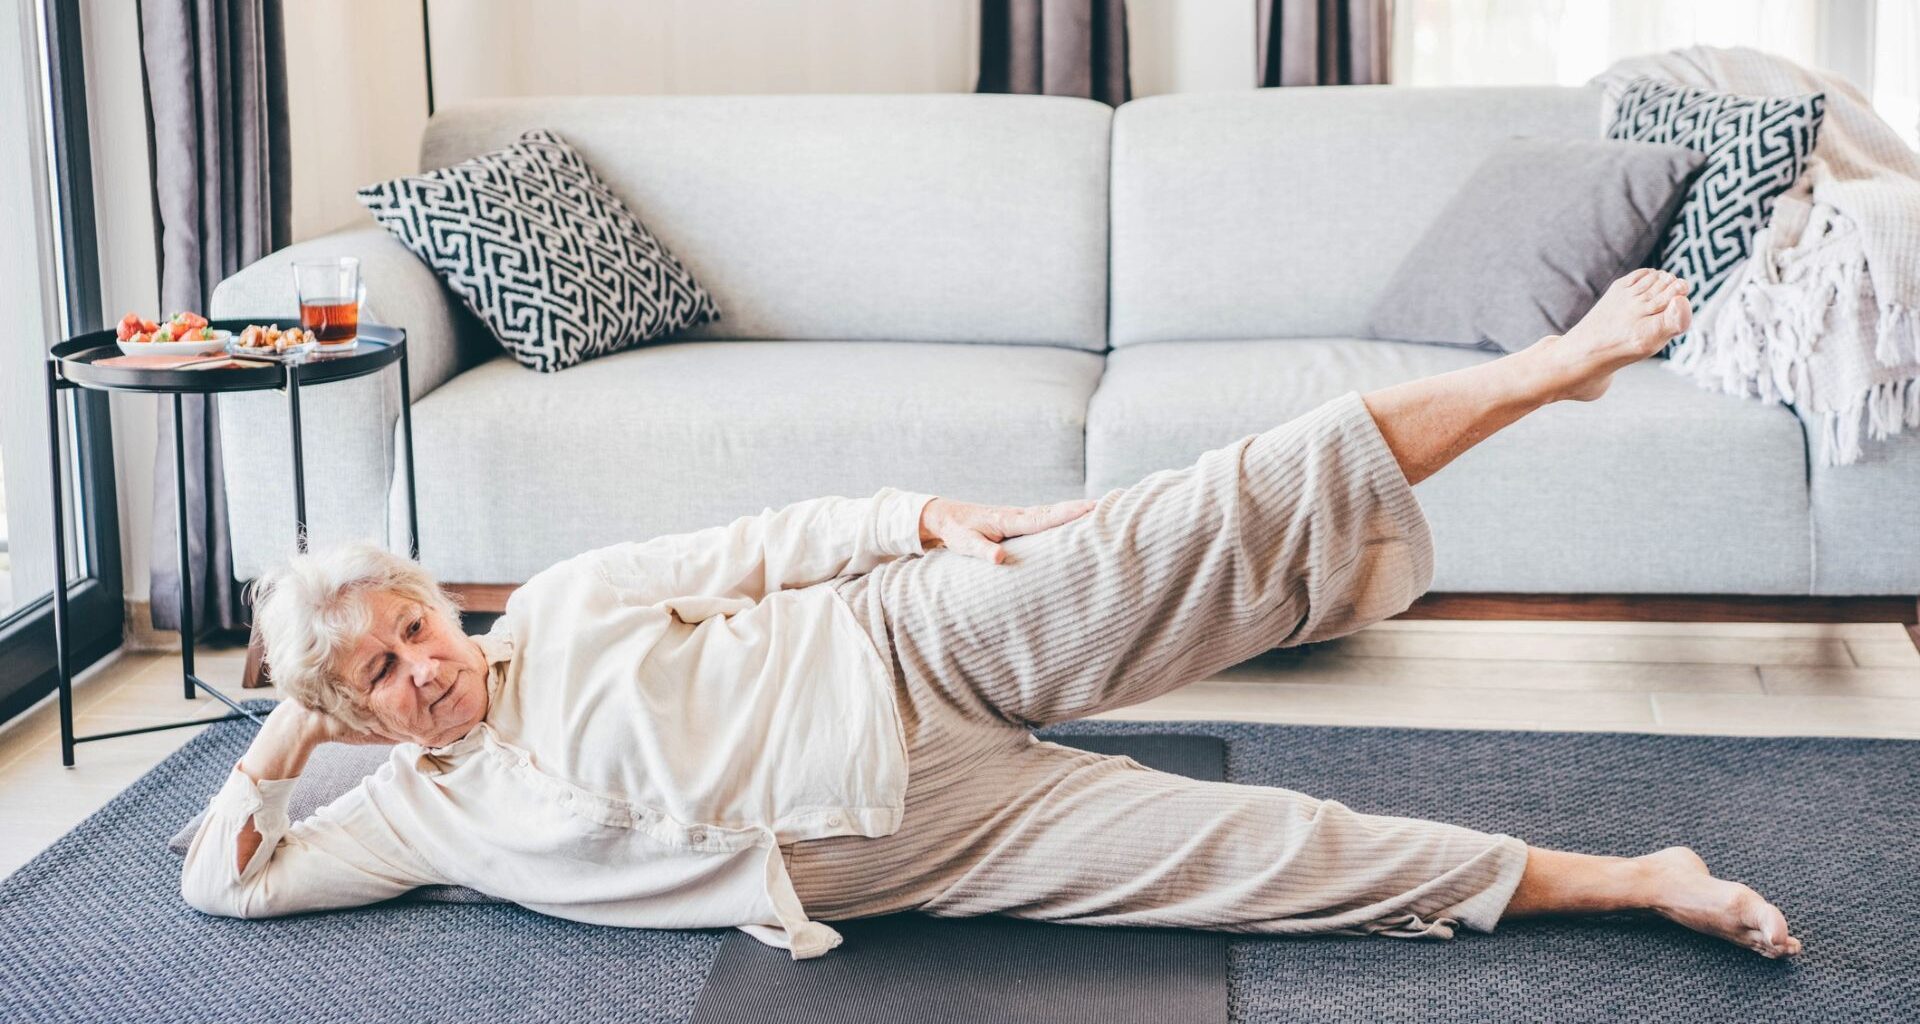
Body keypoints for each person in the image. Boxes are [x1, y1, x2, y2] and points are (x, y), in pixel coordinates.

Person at [180, 269, 1802, 961]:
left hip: (902, 640)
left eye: (412, 628)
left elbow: (764, 543)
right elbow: (223, 893)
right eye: (380, 678)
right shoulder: (412, 824)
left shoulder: (558, 599)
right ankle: (1631, 882)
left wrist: (924, 521)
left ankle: (1544, 366)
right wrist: (285, 729)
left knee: (1203, 514)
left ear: (434, 600)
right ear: (350, 716)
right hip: (907, 843)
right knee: (1261, 860)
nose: (422, 671)